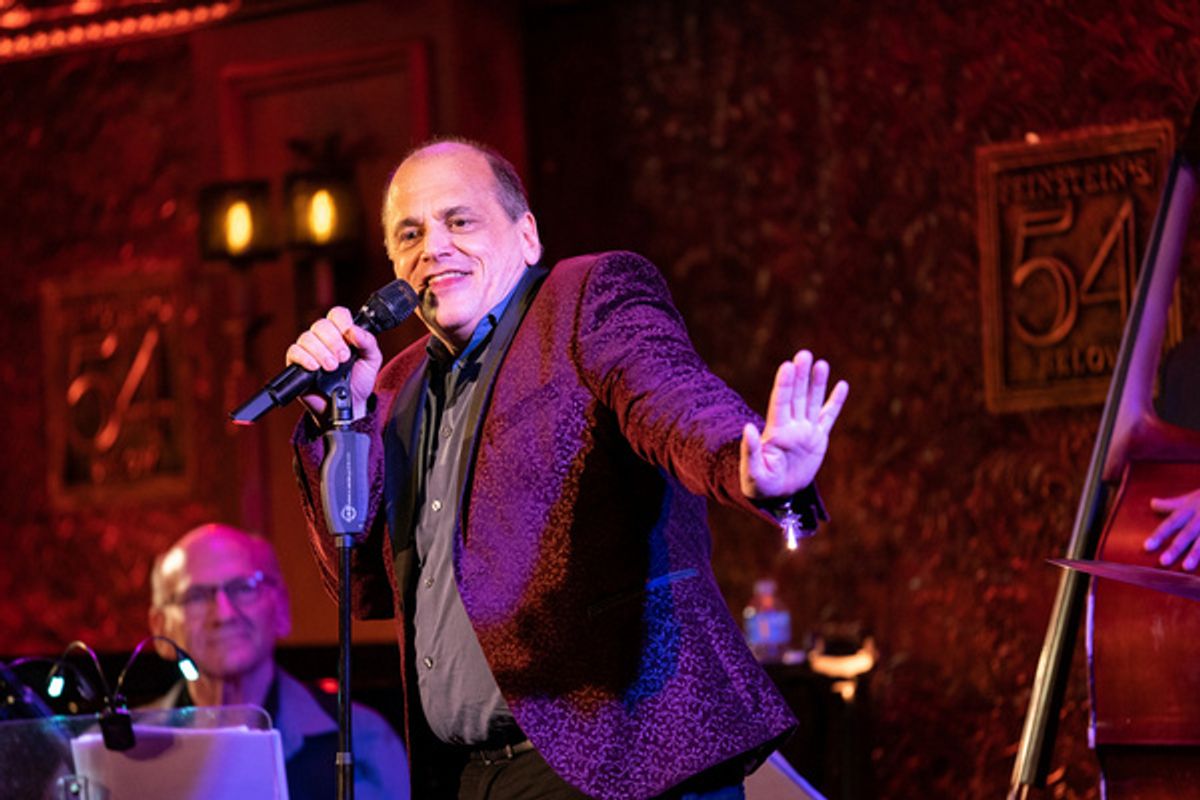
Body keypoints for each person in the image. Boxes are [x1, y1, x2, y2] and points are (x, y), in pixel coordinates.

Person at [286, 138, 849, 800]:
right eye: (409, 232)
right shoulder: (391, 384)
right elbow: (361, 585)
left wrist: (747, 461)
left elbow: (670, 398)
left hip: (619, 759)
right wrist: (341, 421)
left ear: (526, 236)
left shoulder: (587, 299)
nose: (432, 246)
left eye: (459, 221)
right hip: (467, 776)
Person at [147, 523, 410, 800]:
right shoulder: (128, 748)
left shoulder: (362, 738)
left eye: (244, 588)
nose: (223, 614)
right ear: (159, 626)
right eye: (197, 596)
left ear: (282, 608)